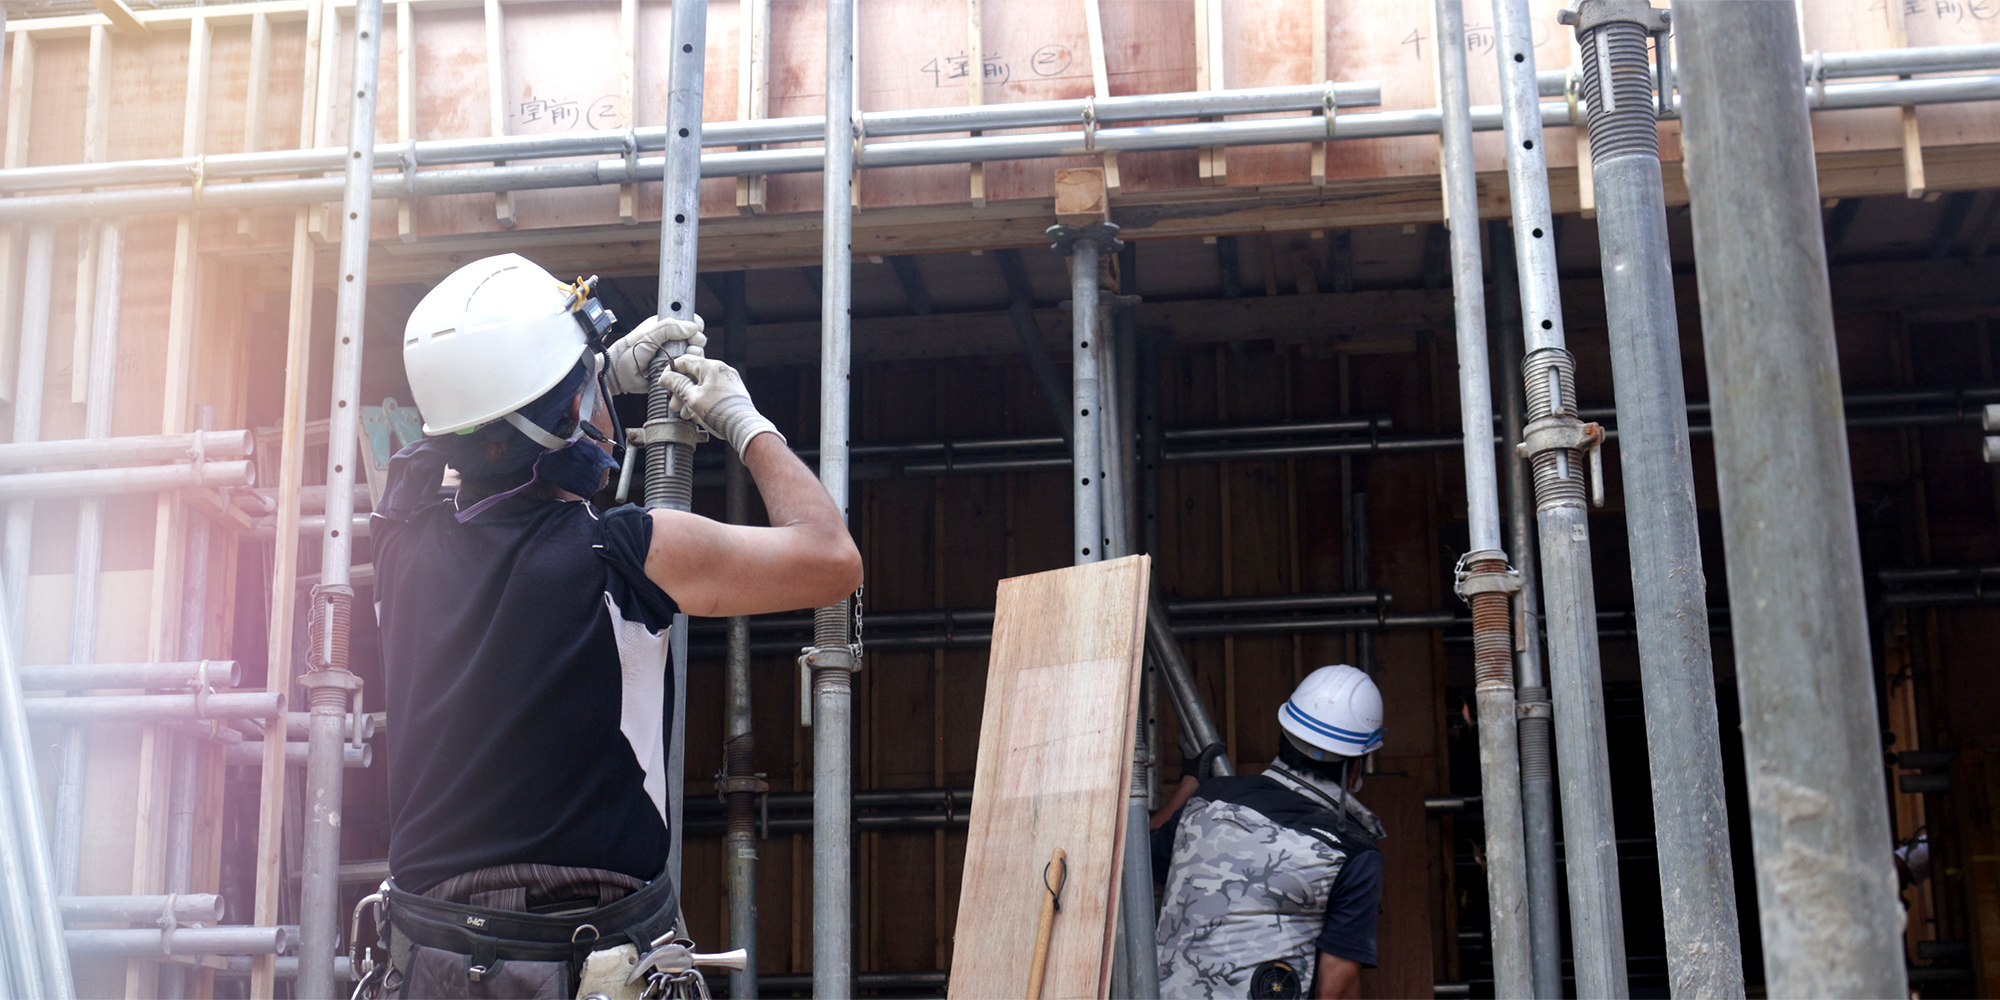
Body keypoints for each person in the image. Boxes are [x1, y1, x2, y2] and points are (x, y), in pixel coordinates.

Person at [365, 254, 861, 999]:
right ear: (566, 414)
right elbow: (831, 558)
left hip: (427, 961)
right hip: (587, 958)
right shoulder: (625, 550)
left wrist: (584, 376)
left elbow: (426, 445)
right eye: (588, 388)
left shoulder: (397, 538)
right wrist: (745, 422)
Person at [1151, 664, 1388, 1000]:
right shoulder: (1352, 854)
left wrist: (1189, 784)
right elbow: (1335, 992)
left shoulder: (1208, 801)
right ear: (1354, 766)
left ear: (1284, 735)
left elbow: (1137, 862)